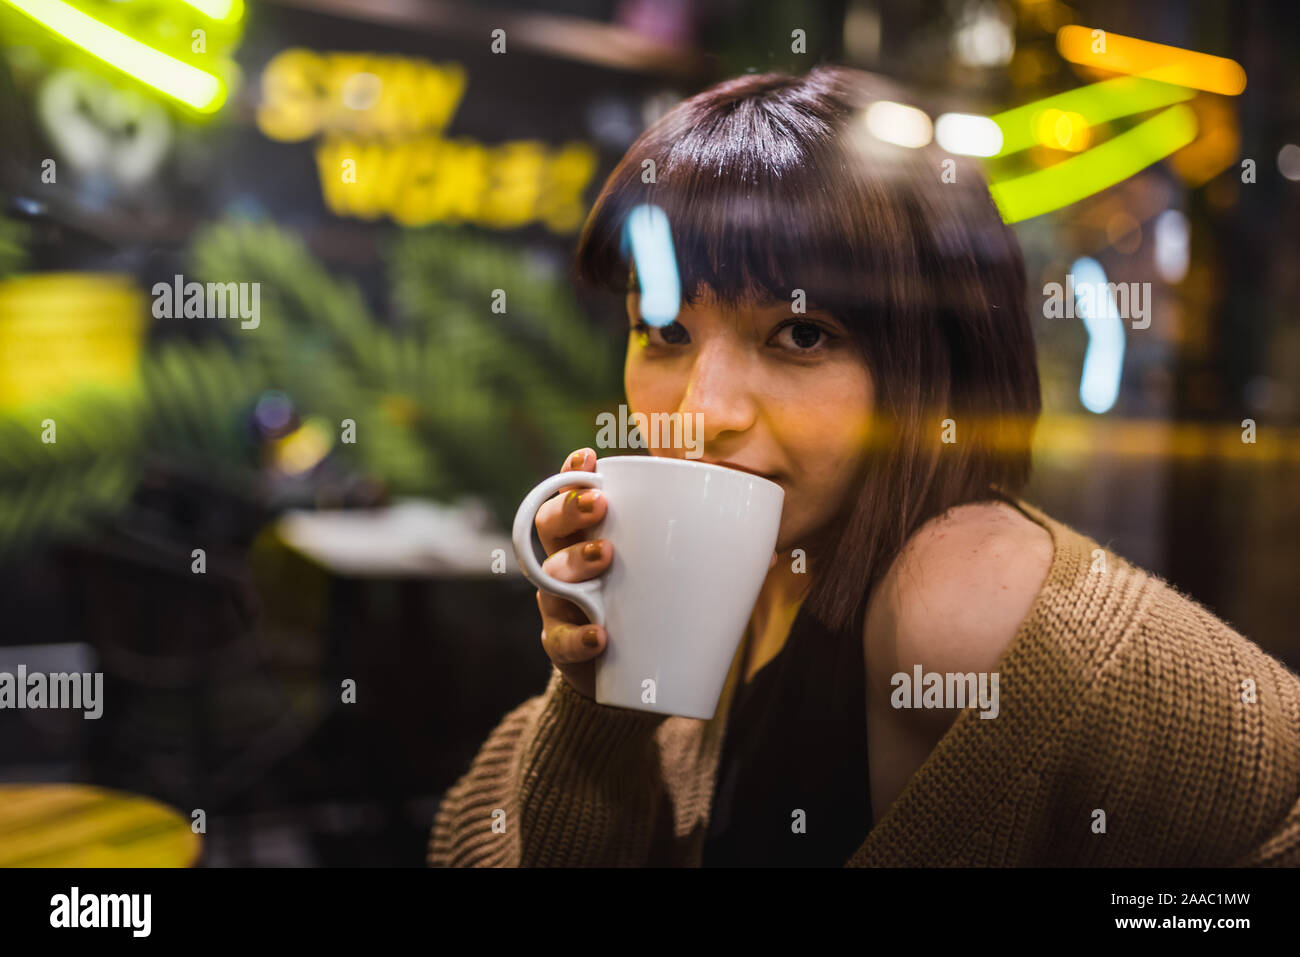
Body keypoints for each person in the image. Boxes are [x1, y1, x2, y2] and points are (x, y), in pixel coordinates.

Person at [429, 66, 1300, 867]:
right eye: (665, 332)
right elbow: (475, 837)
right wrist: (599, 703)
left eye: (802, 335)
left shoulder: (958, 589)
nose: (701, 414)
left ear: (936, 368)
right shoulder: (752, 575)